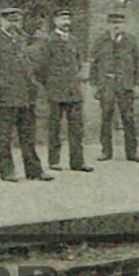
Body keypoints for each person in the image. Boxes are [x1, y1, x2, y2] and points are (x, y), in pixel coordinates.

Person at [0, 5, 52, 183]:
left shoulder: (22, 39)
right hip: (5, 95)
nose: (14, 24)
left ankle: (34, 170)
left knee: (28, 135)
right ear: (2, 20)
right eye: (10, 20)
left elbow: (27, 66)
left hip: (24, 95)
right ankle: (7, 171)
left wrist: (33, 87)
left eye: (17, 20)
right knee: (5, 136)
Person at [31, 9, 92, 172]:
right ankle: (54, 161)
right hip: (55, 91)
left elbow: (79, 63)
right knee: (55, 127)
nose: (66, 22)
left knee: (76, 128)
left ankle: (77, 162)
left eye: (68, 18)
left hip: (73, 91)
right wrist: (50, 85)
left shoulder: (74, 40)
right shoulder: (48, 41)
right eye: (62, 18)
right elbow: (40, 67)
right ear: (55, 21)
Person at [90, 10, 139, 162]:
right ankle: (106, 151)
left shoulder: (130, 41)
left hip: (125, 84)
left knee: (128, 118)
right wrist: (94, 84)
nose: (116, 26)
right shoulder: (100, 41)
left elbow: (137, 63)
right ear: (108, 24)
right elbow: (94, 64)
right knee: (106, 116)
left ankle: (132, 152)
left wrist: (138, 83)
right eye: (113, 23)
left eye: (119, 23)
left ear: (124, 24)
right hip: (106, 84)